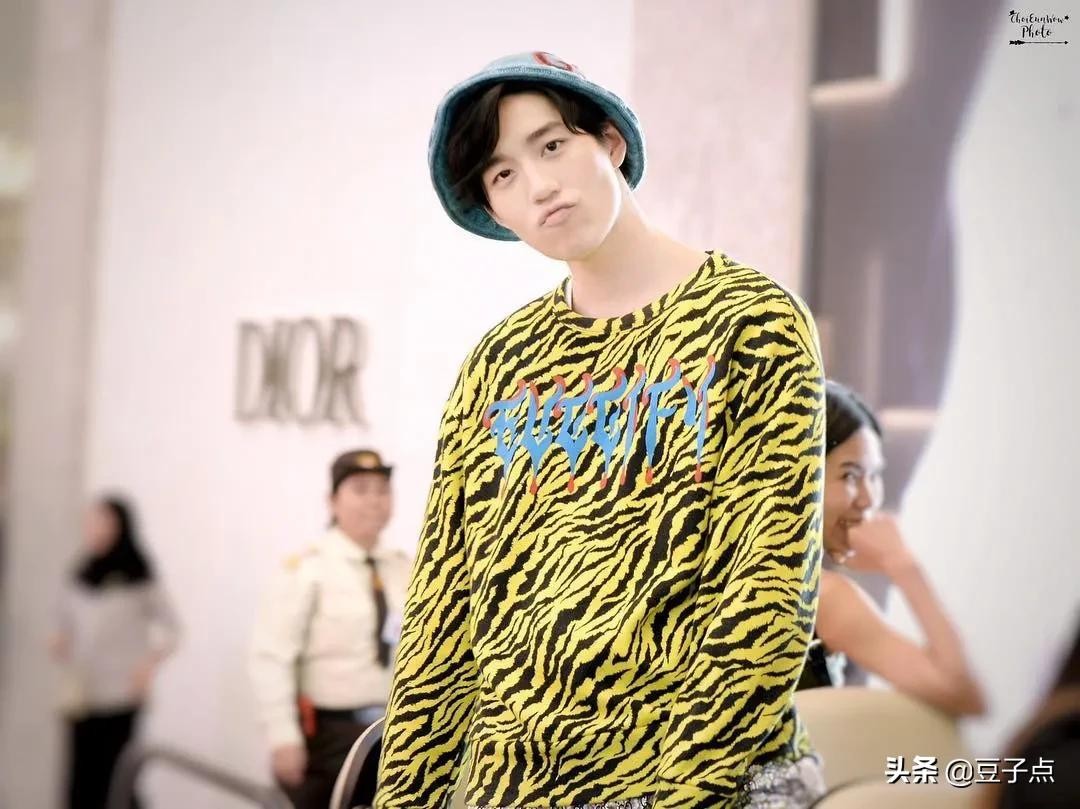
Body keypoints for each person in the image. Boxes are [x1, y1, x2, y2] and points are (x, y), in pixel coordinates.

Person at [375, 53, 827, 809]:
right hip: (517, 782)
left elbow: (766, 593)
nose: (539, 186)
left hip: (711, 779)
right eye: (502, 174)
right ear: (494, 209)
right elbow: (442, 603)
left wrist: (681, 798)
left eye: (551, 145)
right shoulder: (499, 362)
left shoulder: (751, 321)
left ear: (610, 142)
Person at [797, 380, 986, 718]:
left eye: (874, 476)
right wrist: (902, 564)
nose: (869, 499)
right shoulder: (824, 598)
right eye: (851, 476)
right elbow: (962, 694)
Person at [249, 449, 412, 809]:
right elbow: (271, 658)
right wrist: (282, 736)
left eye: (382, 490)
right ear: (332, 500)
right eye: (361, 489)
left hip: (396, 735)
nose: (374, 500)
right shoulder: (308, 569)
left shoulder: (405, 569)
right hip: (330, 737)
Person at [50, 495, 180, 809]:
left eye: (103, 522)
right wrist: (60, 641)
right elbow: (62, 621)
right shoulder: (81, 574)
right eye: (91, 522)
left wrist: (148, 665)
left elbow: (172, 629)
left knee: (116, 781)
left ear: (120, 526)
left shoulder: (139, 577)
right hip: (83, 695)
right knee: (80, 781)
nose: (95, 530)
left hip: (121, 695)